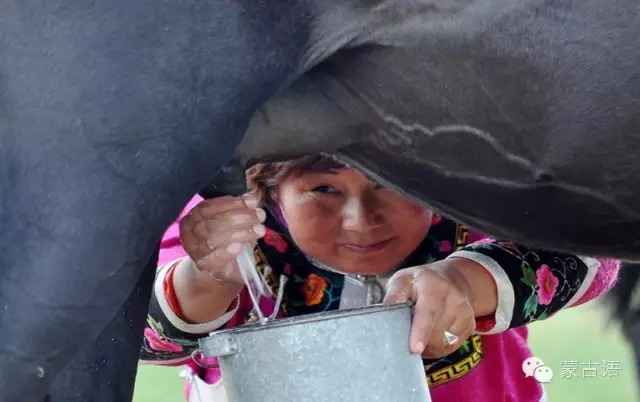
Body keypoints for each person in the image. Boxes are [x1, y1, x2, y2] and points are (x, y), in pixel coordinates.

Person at [139, 154, 620, 402]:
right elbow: (145, 341)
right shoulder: (224, 226)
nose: (360, 218)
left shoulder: (471, 210)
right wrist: (210, 276)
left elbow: (593, 252)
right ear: (264, 186)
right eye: (323, 188)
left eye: (392, 183)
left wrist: (466, 282)